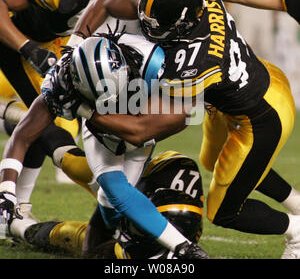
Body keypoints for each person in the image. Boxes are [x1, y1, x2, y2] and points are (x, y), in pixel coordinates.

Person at [61, 0, 300, 259]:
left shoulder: (193, 64)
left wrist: (84, 107)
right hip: (255, 80)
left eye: (158, 25)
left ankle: (296, 231)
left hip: (261, 117)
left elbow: (145, 130)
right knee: (212, 161)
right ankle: (297, 203)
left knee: (224, 212)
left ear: (185, 22)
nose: (149, 29)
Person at [0, 33, 209, 259]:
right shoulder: (61, 82)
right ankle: (181, 247)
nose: (110, 103)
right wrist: (7, 190)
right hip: (102, 134)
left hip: (142, 119)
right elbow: (23, 136)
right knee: (112, 194)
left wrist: (88, 110)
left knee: (119, 197)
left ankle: (171, 244)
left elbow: (154, 127)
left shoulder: (149, 59)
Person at [0, 0, 150, 220]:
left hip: (67, 45)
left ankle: (17, 208)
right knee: (50, 126)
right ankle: (13, 206)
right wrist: (27, 47)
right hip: (28, 47)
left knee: (51, 126)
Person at [10, 150, 205, 259]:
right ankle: (16, 224)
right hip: (126, 178)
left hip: (130, 194)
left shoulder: (129, 252)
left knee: (66, 235)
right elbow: (112, 197)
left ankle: (17, 226)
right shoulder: (168, 171)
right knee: (73, 163)